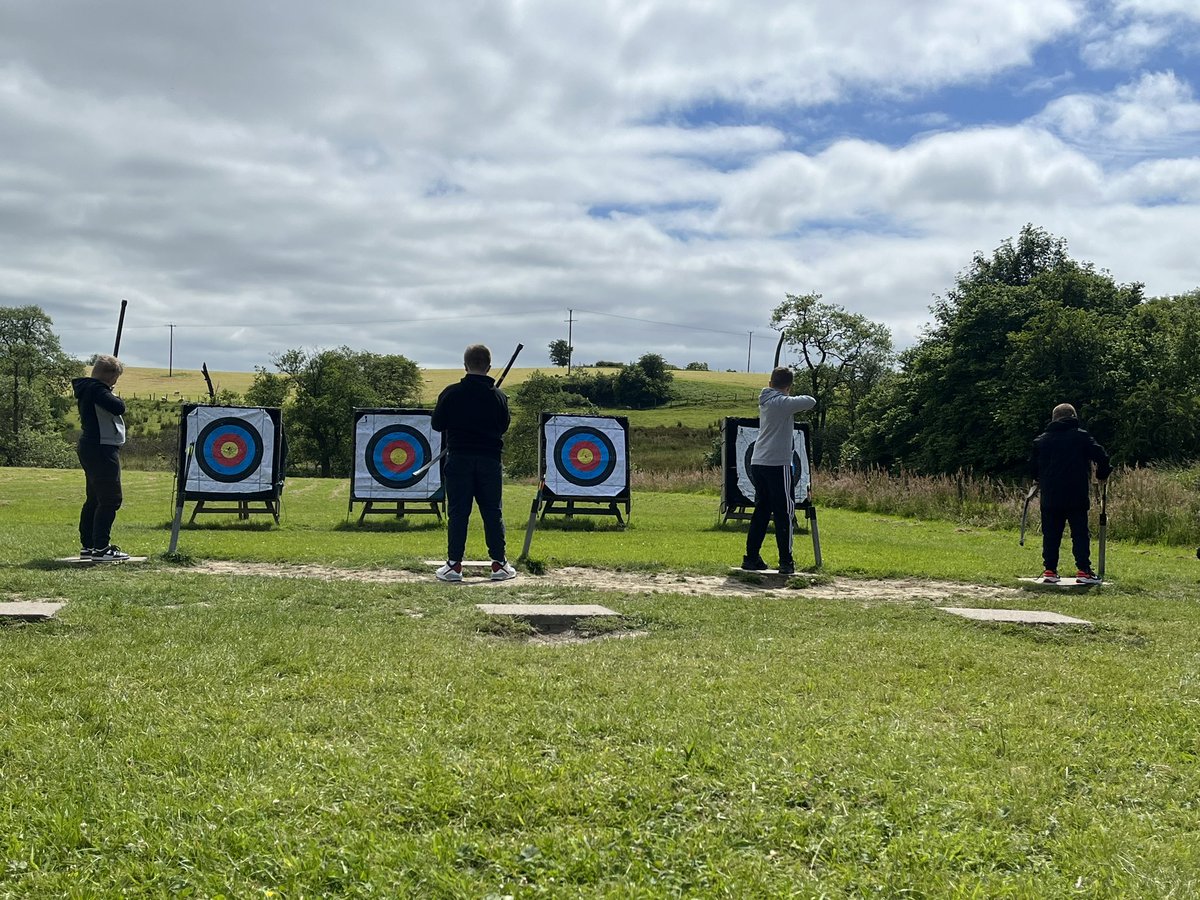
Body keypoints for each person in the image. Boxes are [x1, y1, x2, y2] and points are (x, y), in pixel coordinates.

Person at [431, 344, 516, 582]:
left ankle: (454, 566)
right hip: (490, 461)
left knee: (459, 512)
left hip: (459, 459)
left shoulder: (451, 393)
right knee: (492, 511)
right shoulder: (499, 397)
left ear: (465, 365)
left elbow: (437, 424)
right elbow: (503, 426)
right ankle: (499, 565)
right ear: (489, 367)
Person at [743, 366, 816, 574]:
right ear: (788, 386)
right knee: (785, 512)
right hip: (777, 463)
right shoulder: (782, 403)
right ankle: (786, 561)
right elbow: (811, 401)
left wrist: (783, 391)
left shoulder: (766, 400)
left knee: (762, 511)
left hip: (758, 461)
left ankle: (751, 558)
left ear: (769, 384)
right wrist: (787, 395)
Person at [1030, 402, 1111, 584]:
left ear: (1053, 418)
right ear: (1074, 417)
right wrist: (1101, 474)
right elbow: (1102, 456)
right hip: (1076, 493)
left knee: (1050, 533)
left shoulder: (1042, 440)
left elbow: (1032, 468)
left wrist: (1038, 479)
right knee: (1080, 533)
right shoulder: (1081, 437)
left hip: (1050, 495)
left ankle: (1050, 570)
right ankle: (1084, 570)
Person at [72, 355, 131, 561]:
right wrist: (108, 391)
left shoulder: (88, 388)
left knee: (95, 498)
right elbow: (119, 407)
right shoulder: (97, 390)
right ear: (109, 375)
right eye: (115, 378)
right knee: (110, 499)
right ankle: (101, 548)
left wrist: (107, 390)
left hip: (92, 446)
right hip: (102, 448)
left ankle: (89, 545)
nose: (116, 382)